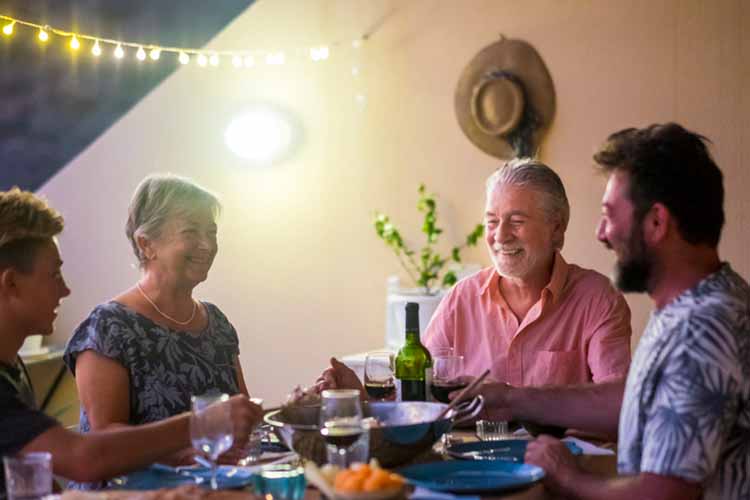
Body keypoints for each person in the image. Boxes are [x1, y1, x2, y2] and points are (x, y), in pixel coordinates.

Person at [479, 123, 749, 499]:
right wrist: (512, 399)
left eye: (610, 214)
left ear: (656, 223)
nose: (601, 233)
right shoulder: (705, 299)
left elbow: (663, 494)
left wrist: (569, 477)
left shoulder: (699, 330)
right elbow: (635, 400)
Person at [0, 188, 262, 497]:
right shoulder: (109, 324)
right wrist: (200, 426)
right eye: (55, 274)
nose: (66, 290)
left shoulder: (11, 368)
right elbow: (83, 458)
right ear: (11, 283)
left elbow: (38, 482)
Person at [317, 159, 631, 396]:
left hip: (558, 469)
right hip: (467, 472)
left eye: (517, 221)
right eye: (492, 221)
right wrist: (360, 397)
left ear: (557, 228)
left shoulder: (597, 299)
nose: (500, 236)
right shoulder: (462, 298)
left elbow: (617, 406)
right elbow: (416, 403)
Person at [64, 174, 259, 467]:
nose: (207, 245)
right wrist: (183, 454)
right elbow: (105, 440)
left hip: (212, 487)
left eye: (212, 232)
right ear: (146, 244)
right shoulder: (109, 325)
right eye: (191, 232)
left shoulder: (216, 322)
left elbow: (240, 417)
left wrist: (302, 404)